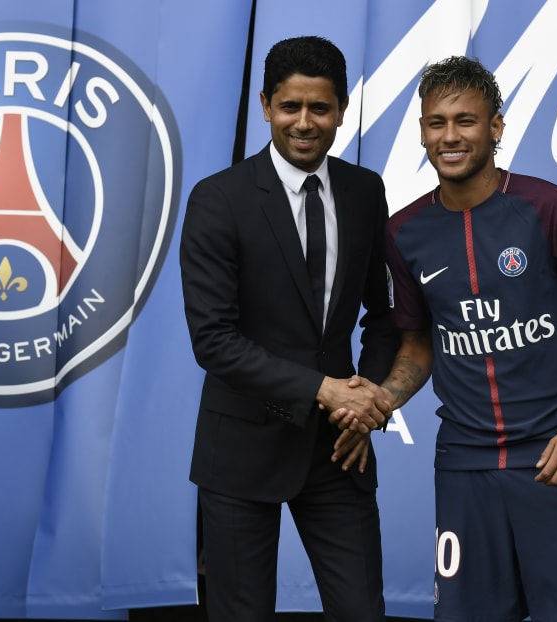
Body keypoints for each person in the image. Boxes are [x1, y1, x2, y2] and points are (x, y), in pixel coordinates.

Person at [332, 56, 557, 621]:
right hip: (464, 467)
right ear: (423, 130)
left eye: (465, 121)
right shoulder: (403, 232)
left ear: (495, 127)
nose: (449, 136)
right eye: (435, 122)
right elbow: (419, 345)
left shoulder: (549, 208)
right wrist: (380, 401)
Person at [180, 35, 398, 621]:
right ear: (265, 105)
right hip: (241, 451)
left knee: (362, 612)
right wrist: (323, 390)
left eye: (319, 109)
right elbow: (214, 341)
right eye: (290, 107)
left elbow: (384, 318)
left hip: (340, 449)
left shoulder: (364, 190)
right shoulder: (217, 200)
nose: (305, 123)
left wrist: (366, 402)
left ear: (342, 110)